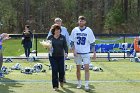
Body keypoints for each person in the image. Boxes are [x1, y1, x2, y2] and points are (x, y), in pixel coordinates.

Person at [70, 16, 96, 91]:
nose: (81, 22)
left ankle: (87, 84)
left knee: (87, 68)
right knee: (78, 69)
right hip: (77, 52)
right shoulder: (75, 30)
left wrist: (94, 53)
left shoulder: (88, 30)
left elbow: (92, 42)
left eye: (83, 21)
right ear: (78, 21)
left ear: (85, 22)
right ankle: (79, 83)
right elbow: (71, 41)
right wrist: (73, 50)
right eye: (80, 21)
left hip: (86, 52)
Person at [47, 17, 70, 82]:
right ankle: (56, 80)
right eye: (56, 22)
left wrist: (68, 48)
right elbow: (48, 39)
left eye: (59, 22)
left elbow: (67, 39)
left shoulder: (64, 29)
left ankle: (63, 78)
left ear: (61, 23)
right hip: (53, 50)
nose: (58, 23)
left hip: (61, 49)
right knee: (55, 67)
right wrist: (48, 46)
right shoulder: (52, 29)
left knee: (62, 66)